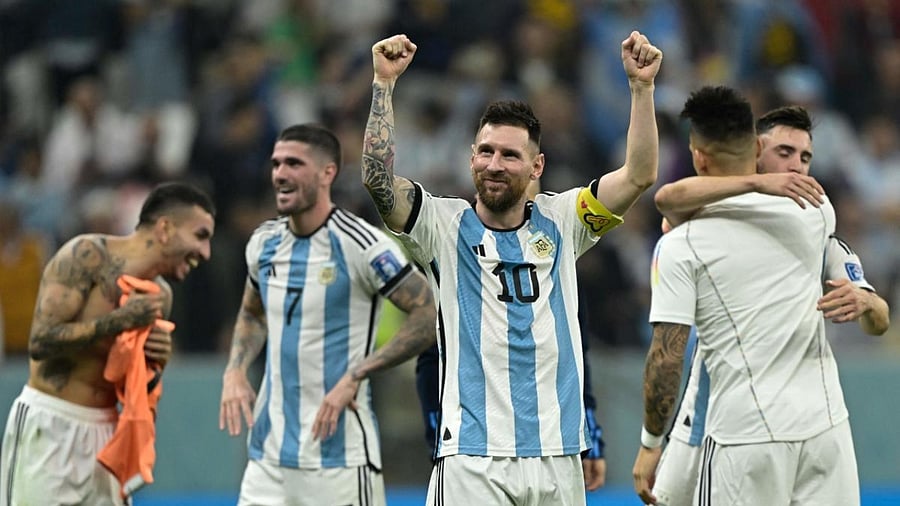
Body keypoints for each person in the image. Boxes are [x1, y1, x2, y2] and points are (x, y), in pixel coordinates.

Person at [358, 31, 661, 504]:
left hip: (558, 456)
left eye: (509, 155)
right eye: (486, 152)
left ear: (537, 166)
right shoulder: (441, 225)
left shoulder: (565, 221)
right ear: (471, 158)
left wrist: (641, 89)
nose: (494, 164)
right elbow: (378, 182)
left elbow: (639, 175)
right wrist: (383, 84)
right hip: (472, 458)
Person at [642, 105, 891, 505]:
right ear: (755, 151)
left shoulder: (814, 220)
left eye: (805, 157)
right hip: (709, 409)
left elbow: (879, 319)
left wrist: (866, 300)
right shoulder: (700, 217)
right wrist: (757, 184)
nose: (796, 167)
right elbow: (668, 199)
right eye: (785, 152)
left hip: (793, 423)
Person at [218, 123, 436, 506]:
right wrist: (235, 369)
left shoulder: (362, 245)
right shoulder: (264, 243)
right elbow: (253, 313)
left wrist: (357, 374)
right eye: (276, 163)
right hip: (268, 459)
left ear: (327, 173)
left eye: (294, 164)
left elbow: (428, 313)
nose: (280, 174)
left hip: (340, 461)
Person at [0, 181, 216, 505]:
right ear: (165, 228)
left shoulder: (160, 296)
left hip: (107, 436)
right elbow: (41, 341)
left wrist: (154, 365)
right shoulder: (86, 255)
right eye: (200, 235)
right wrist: (119, 321)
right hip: (51, 425)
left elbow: (131, 388)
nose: (206, 252)